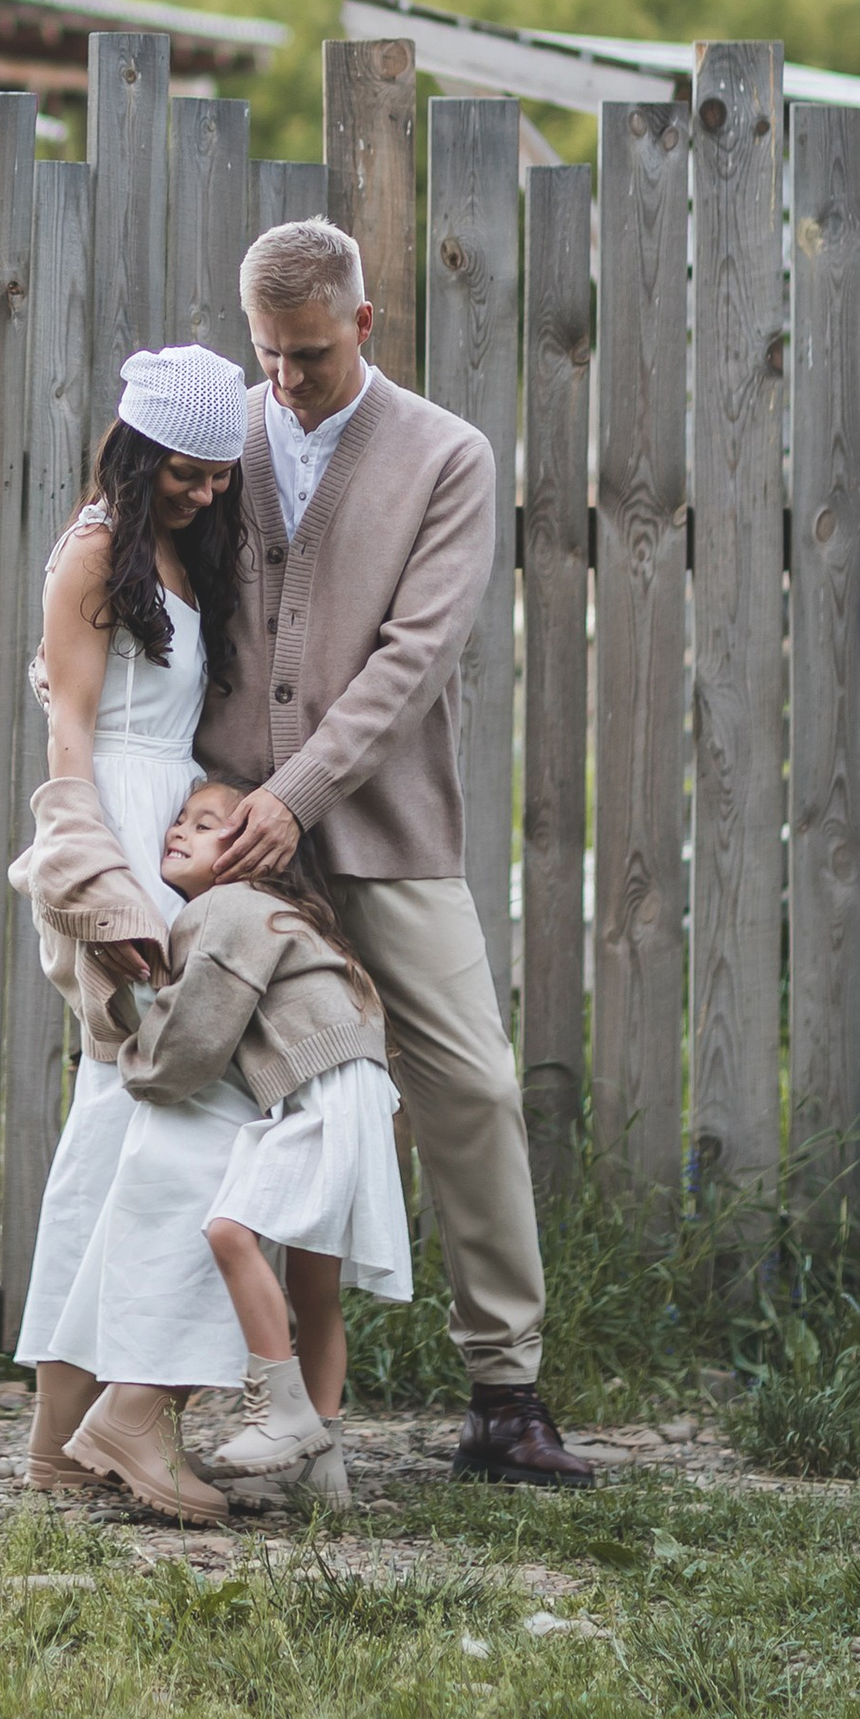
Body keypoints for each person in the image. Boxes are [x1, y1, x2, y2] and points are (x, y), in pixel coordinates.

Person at [197, 215, 595, 1489]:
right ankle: (188, 1379)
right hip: (230, 835)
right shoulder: (227, 434)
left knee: (470, 1085)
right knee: (201, 1077)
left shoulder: (446, 455)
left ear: (363, 325)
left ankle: (505, 1391)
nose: (286, 379)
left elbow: (413, 659)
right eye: (267, 353)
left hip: (385, 825)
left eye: (308, 353)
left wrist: (299, 794)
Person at [37, 771, 409, 1520]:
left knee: (228, 1229)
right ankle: (321, 1468)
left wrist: (131, 1053)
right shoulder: (278, 914)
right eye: (181, 817)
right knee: (315, 1284)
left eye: (207, 824)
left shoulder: (227, 908)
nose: (179, 829)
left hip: (320, 1091)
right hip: (356, 1089)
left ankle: (278, 1415)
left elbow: (191, 1044)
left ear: (255, 853)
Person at [8, 339, 249, 1494]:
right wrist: (102, 893)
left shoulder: (182, 548)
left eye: (219, 474)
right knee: (146, 1127)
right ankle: (101, 1427)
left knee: (126, 1133)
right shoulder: (97, 552)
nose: (205, 491)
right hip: (117, 837)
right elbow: (71, 739)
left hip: (176, 839)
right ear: (137, 448)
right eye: (187, 471)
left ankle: (79, 1435)